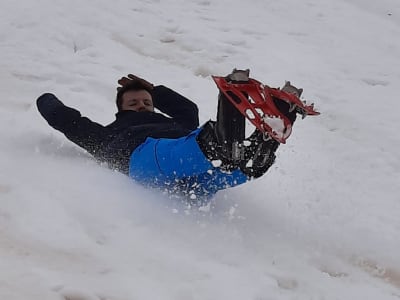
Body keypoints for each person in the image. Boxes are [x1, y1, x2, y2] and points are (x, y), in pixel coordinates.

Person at [36, 69, 304, 202]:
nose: (141, 105)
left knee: (240, 164)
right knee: (193, 151)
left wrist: (156, 91)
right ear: (120, 110)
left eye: (146, 102)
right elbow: (70, 122)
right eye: (133, 103)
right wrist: (45, 99)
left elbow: (188, 108)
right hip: (145, 158)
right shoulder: (108, 135)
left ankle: (270, 131)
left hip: (193, 179)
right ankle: (229, 145)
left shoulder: (177, 122)